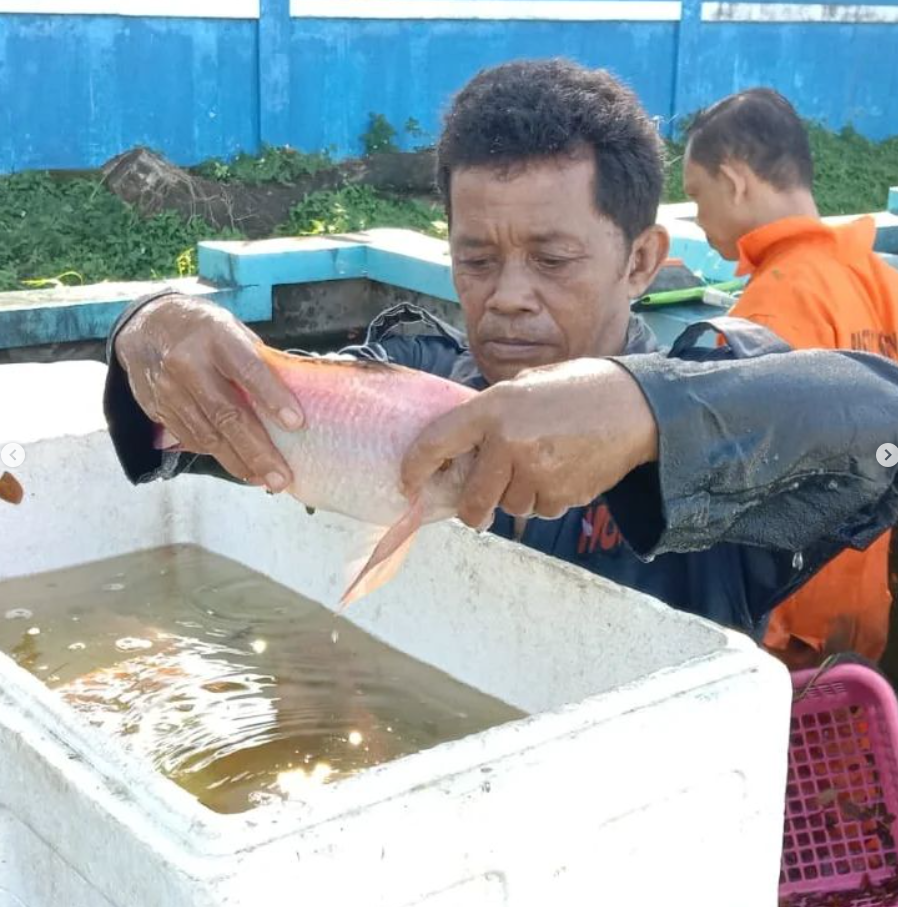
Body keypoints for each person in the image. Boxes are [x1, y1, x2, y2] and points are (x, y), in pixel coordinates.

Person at [104, 59, 898, 639]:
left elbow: (876, 414)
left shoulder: (716, 385)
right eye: (476, 260)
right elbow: (215, 416)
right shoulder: (418, 375)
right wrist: (151, 327)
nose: (509, 295)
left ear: (642, 260)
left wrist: (646, 410)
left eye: (553, 260)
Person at [683, 87, 898, 666]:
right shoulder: (875, 277)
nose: (698, 219)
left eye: (696, 196)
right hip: (862, 602)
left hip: (790, 620)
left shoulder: (771, 309)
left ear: (734, 180)